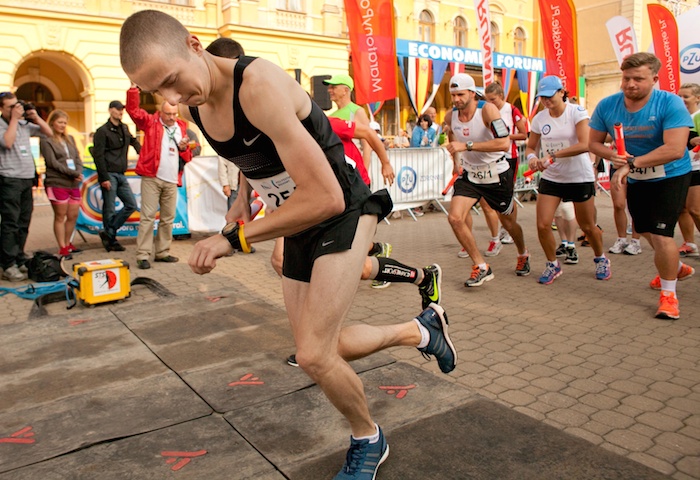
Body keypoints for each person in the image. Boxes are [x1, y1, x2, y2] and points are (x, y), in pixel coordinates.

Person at [120, 11, 457, 480]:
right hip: (299, 219)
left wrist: (234, 238)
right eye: (158, 92)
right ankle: (421, 331)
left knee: (315, 355)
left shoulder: (258, 85)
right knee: (316, 350)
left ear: (195, 45)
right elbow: (250, 154)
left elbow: (326, 197)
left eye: (172, 81)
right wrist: (243, 199)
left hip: (343, 208)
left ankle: (368, 437)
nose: (172, 100)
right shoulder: (198, 102)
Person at [589, 52, 694, 320]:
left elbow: (675, 148)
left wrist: (631, 163)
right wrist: (613, 156)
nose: (630, 84)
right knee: (644, 229)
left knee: (661, 234)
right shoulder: (608, 105)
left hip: (671, 174)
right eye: (626, 78)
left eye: (638, 78)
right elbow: (594, 143)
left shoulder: (670, 103)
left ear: (655, 79)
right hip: (637, 176)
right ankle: (675, 267)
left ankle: (669, 296)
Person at [444, 73, 531, 286]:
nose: (456, 99)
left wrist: (467, 146)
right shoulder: (450, 116)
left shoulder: (487, 110)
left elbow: (503, 143)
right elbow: (452, 135)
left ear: (472, 93)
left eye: (460, 95)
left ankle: (523, 253)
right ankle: (481, 266)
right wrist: (457, 161)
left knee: (508, 223)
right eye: (453, 95)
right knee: (455, 218)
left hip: (497, 174)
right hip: (470, 175)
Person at [525, 75, 610, 284]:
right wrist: (532, 158)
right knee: (543, 224)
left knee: (587, 226)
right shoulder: (540, 118)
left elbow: (585, 144)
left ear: (562, 92)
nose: (546, 101)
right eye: (542, 97)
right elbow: (530, 147)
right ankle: (552, 264)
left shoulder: (576, 112)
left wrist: (553, 156)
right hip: (552, 177)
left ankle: (601, 258)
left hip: (578, 176)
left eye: (549, 96)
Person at [126, 86, 194, 269]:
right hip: (152, 177)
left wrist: (184, 148)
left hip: (172, 179)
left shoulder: (181, 127)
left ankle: (162, 252)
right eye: (168, 114)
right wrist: (133, 90)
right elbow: (133, 111)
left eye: (174, 114)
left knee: (168, 218)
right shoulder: (151, 122)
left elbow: (187, 156)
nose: (172, 118)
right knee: (147, 217)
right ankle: (143, 255)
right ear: (160, 112)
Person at [0, 92, 52, 281]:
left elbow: (48, 133)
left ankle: (19, 256)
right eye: (10, 106)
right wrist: (14, 119)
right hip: (9, 179)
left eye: (17, 105)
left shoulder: (24, 125)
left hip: (26, 178)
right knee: (10, 223)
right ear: (1, 108)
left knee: (23, 222)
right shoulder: (4, 125)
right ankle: (7, 264)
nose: (16, 109)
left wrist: (35, 117)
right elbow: (7, 142)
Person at [93, 100, 140, 252]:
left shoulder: (124, 128)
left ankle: (109, 232)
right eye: (118, 109)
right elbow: (98, 156)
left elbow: (134, 142)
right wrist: (104, 177)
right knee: (110, 208)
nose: (120, 112)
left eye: (122, 109)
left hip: (121, 173)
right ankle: (111, 240)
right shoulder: (102, 131)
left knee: (131, 204)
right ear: (110, 110)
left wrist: (144, 153)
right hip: (109, 174)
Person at [484, 81, 528, 246]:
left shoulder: (511, 110)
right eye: (487, 100)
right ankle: (504, 226)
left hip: (509, 156)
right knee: (496, 196)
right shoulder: (487, 111)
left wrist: (505, 137)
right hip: (492, 157)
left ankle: (510, 228)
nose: (490, 103)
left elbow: (523, 134)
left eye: (493, 99)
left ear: (501, 96)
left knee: (509, 194)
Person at [39, 109, 84, 259]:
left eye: (65, 123)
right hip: (57, 182)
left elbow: (77, 158)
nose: (63, 125)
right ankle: (62, 247)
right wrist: (73, 173)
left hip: (73, 183)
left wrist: (78, 171)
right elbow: (52, 162)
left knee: (73, 215)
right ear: (52, 123)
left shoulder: (70, 139)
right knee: (60, 215)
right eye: (60, 122)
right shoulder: (46, 140)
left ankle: (68, 242)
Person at [325, 74, 372, 170]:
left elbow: (367, 144)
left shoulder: (358, 111)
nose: (329, 90)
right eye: (329, 87)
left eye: (333, 87)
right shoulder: (331, 116)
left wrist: (364, 170)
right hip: (338, 168)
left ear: (345, 90)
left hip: (354, 168)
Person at [677, 82, 700, 257]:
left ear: (697, 98)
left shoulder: (698, 116)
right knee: (681, 208)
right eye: (679, 96)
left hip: (697, 168)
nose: (682, 99)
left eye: (686, 96)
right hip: (679, 168)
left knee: (694, 209)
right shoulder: (677, 117)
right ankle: (690, 244)